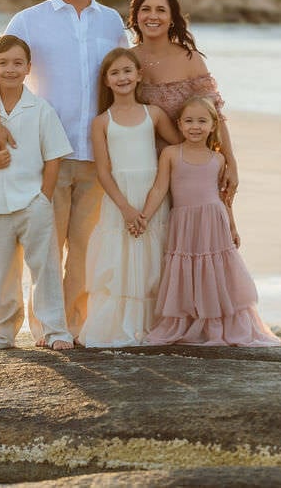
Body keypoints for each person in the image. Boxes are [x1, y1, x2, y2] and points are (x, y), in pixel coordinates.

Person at [0, 0, 127, 338]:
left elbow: (126, 78)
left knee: (84, 250)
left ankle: (73, 326)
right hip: (46, 156)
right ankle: (46, 327)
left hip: (98, 155)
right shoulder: (27, 20)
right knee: (45, 247)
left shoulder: (112, 21)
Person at [0, 35, 75, 352]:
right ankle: (3, 334)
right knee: (4, 273)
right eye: (3, 63)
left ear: (28, 68)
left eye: (17, 63)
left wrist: (44, 197)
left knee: (45, 269)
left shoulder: (40, 109)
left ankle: (56, 331)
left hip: (33, 203)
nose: (10, 69)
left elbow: (54, 157)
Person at [141, 96, 281, 347]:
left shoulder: (218, 159)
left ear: (213, 125)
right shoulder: (171, 154)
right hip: (185, 223)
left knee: (216, 272)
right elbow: (159, 189)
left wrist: (233, 226)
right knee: (188, 271)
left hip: (214, 222)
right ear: (179, 124)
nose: (195, 126)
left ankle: (216, 325)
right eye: (189, 121)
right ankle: (189, 323)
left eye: (202, 121)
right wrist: (143, 217)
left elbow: (224, 198)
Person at [78, 48, 181, 348]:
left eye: (127, 71)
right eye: (115, 73)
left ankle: (153, 326)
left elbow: (178, 147)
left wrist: (147, 210)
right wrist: (125, 209)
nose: (122, 77)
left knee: (152, 258)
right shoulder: (102, 121)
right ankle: (119, 328)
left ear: (138, 76)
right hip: (119, 198)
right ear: (106, 81)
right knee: (119, 259)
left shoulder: (154, 114)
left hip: (152, 193)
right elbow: (103, 171)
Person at [128, 0, 238, 202]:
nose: (153, 16)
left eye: (161, 10)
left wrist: (231, 163)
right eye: (146, 9)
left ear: (171, 19)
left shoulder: (189, 59)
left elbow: (215, 115)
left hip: (188, 169)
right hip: (140, 169)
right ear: (136, 16)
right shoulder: (127, 60)